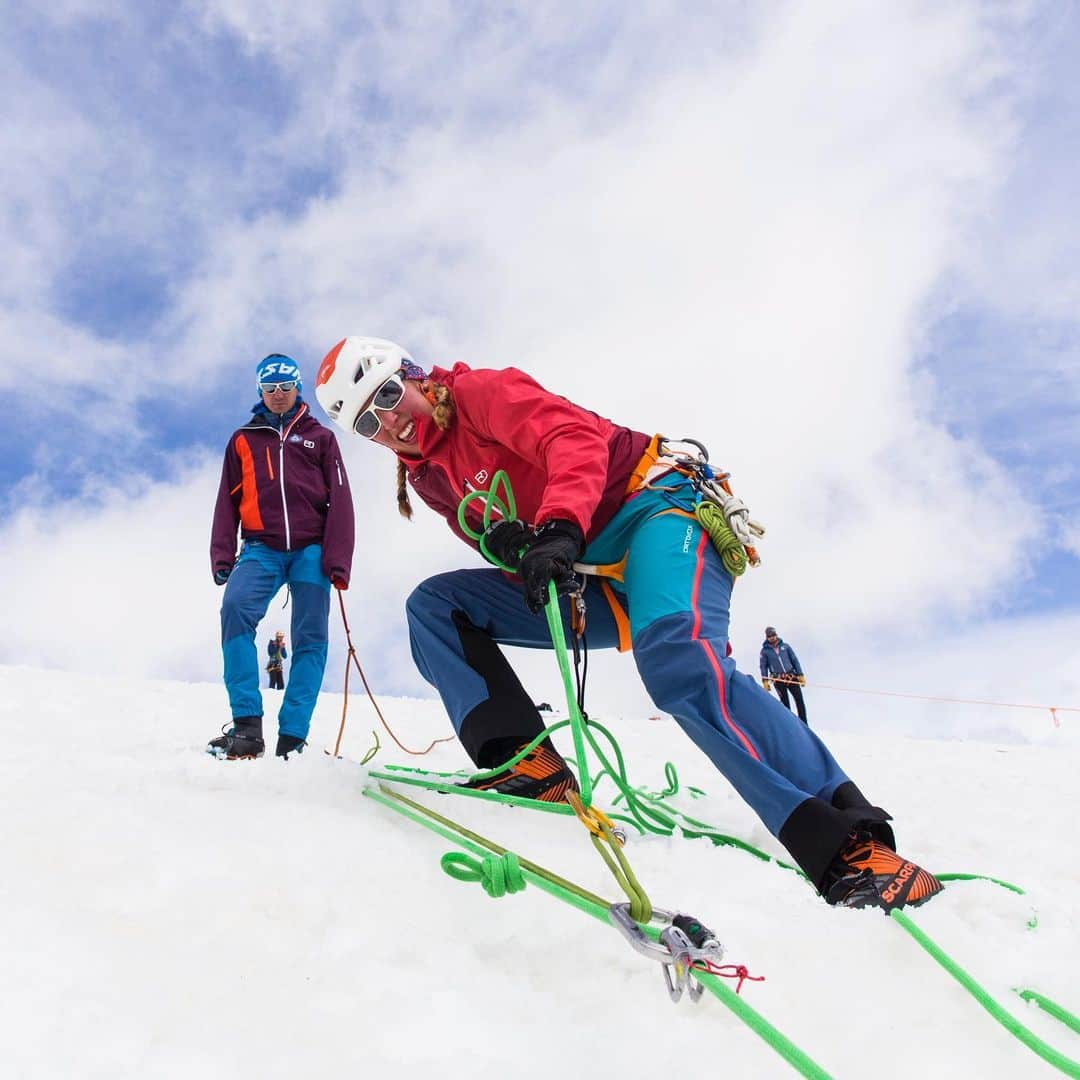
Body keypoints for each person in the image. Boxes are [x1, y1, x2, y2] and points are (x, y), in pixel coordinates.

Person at [314, 336, 942, 912]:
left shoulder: (481, 392)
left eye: (390, 397)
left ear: (419, 379)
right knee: (435, 607)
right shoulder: (430, 479)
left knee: (679, 661)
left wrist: (558, 527)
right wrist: (513, 545)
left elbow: (575, 441)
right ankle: (525, 764)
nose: (390, 420)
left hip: (656, 511)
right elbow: (492, 538)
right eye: (370, 421)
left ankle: (853, 844)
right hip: (594, 579)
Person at [208, 353, 355, 760]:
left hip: (311, 551)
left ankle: (292, 738)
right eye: (270, 388)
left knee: (311, 640)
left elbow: (341, 499)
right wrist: (222, 553)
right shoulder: (243, 439)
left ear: (297, 388)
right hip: (261, 549)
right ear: (260, 390)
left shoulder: (320, 438)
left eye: (285, 388)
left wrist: (338, 559)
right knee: (235, 611)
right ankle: (247, 729)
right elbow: (227, 500)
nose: (277, 395)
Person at [759, 626, 808, 724]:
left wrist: (800, 674)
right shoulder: (765, 651)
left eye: (773, 635)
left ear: (776, 635)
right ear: (767, 637)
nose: (772, 637)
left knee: (799, 701)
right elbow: (763, 666)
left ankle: (804, 723)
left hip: (791, 677)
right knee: (785, 704)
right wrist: (765, 681)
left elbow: (794, 660)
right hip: (778, 680)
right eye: (770, 636)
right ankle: (789, 724)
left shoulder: (785, 647)